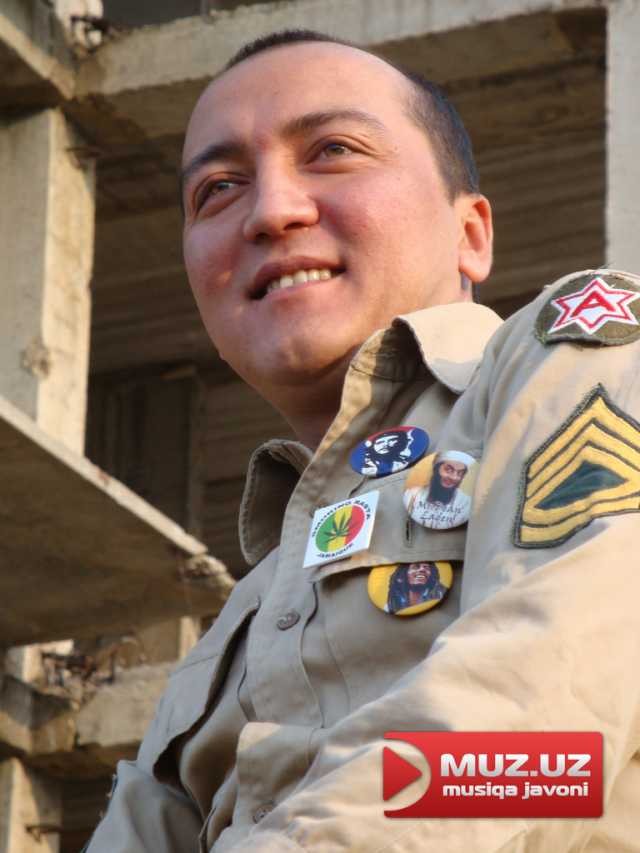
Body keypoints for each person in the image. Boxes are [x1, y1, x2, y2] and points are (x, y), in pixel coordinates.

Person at [84, 28, 640, 853]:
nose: (271, 211)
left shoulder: (576, 354)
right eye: (218, 189)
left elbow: (551, 733)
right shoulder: (241, 621)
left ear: (470, 233)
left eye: (333, 150)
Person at [384, 561, 449, 614]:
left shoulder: (442, 596)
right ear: (401, 577)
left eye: (426, 567)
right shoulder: (391, 605)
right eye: (416, 567)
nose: (422, 569)